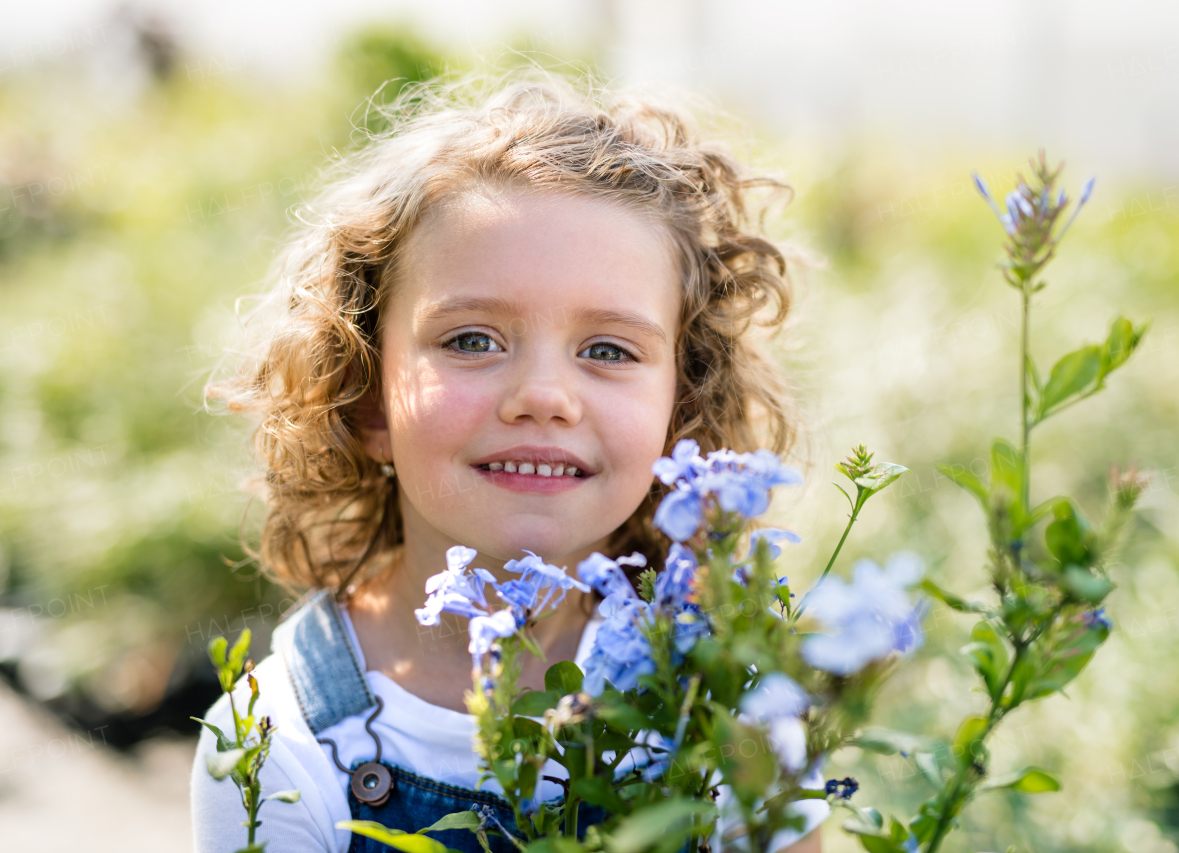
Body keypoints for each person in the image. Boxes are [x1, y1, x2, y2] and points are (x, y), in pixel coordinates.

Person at [193, 68, 822, 853]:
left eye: (607, 349)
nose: (543, 395)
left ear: (679, 414)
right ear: (365, 398)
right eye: (471, 340)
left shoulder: (733, 697)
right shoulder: (277, 740)